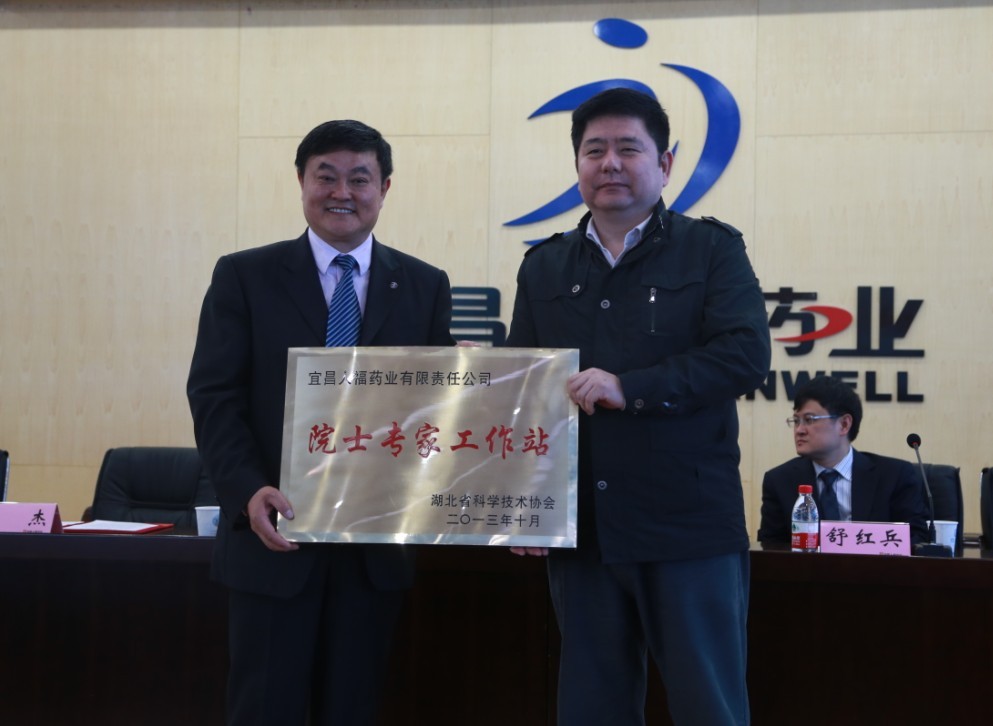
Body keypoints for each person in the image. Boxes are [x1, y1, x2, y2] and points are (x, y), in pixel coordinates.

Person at [506, 87, 770, 725]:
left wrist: (632, 387)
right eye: (594, 150)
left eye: (629, 148)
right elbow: (527, 396)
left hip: (687, 526)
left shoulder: (711, 250)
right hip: (585, 531)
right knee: (591, 709)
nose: (610, 163)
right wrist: (523, 503)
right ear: (577, 163)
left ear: (666, 163)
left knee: (708, 708)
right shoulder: (544, 266)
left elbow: (743, 356)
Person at [187, 119, 456, 726]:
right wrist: (246, 490)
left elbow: (436, 409)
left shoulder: (423, 285)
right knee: (265, 709)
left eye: (359, 178)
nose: (342, 192)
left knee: (352, 709)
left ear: (384, 188)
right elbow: (214, 395)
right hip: (273, 538)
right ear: (301, 182)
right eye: (325, 176)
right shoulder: (244, 276)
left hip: (374, 551)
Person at [758, 375, 928, 545]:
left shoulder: (894, 476)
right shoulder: (780, 481)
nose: (799, 430)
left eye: (809, 420)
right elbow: (772, 547)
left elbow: (916, 539)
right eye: (796, 421)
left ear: (844, 424)